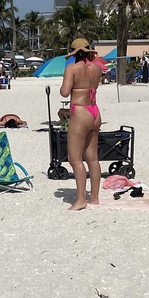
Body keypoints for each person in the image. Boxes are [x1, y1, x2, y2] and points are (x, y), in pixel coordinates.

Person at [60, 37, 103, 210]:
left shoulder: (72, 68)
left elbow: (64, 92)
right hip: (95, 112)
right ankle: (94, 197)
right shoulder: (98, 69)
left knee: (75, 159)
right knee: (92, 157)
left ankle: (80, 200)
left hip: (81, 112)